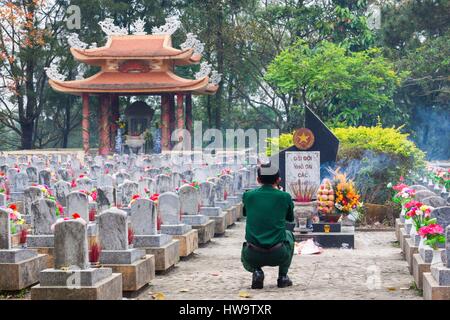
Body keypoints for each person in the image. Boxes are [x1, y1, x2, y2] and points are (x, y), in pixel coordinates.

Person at [241, 163, 295, 289]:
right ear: (278, 180)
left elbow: (245, 213)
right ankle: (283, 276)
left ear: (258, 180)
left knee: (248, 243)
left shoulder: (248, 195)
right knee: (289, 235)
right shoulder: (285, 197)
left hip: (252, 254)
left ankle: (257, 272)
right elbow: (290, 218)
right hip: (279, 252)